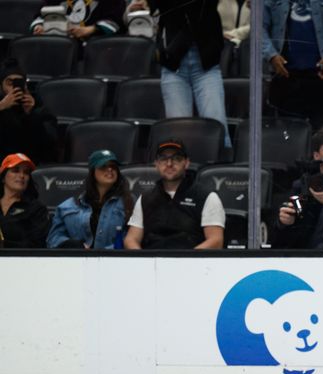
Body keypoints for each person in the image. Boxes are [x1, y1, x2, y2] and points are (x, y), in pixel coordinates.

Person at [149, 0, 232, 149]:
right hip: (174, 65)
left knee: (217, 127)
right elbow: (155, 7)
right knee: (178, 136)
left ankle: (221, 170)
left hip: (206, 64)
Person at [262, 0, 323, 128]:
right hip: (286, 77)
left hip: (322, 77)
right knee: (289, 137)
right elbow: (258, 27)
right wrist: (271, 55)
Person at [124, 139, 225, 249]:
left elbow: (216, 241)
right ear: (156, 164)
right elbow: (131, 239)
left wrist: (184, 261)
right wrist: (144, 261)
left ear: (186, 163)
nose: (169, 164)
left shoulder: (207, 197)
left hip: (191, 263)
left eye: (176, 159)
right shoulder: (145, 198)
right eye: (163, 159)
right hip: (151, 263)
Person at [46, 150, 134, 249]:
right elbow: (53, 239)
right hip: (77, 262)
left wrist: (102, 253)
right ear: (92, 171)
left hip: (115, 262)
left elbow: (133, 238)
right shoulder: (69, 206)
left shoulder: (130, 202)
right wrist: (74, 245)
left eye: (113, 166)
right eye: (103, 166)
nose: (110, 169)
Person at [0, 58, 58, 164]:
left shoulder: (40, 110)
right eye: (9, 83)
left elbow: (50, 147)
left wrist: (31, 115)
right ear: (1, 86)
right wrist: (2, 107)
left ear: (25, 86)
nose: (14, 88)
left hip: (30, 164)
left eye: (19, 83)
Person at [0, 153, 49, 249]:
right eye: (15, 171)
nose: (21, 175)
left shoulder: (37, 209)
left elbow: (38, 246)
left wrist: (3, 245)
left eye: (26, 172)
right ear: (3, 177)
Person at [31, 0, 125, 39]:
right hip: (57, 45)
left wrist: (92, 29)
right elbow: (40, 16)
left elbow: (115, 22)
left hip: (93, 48)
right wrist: (39, 26)